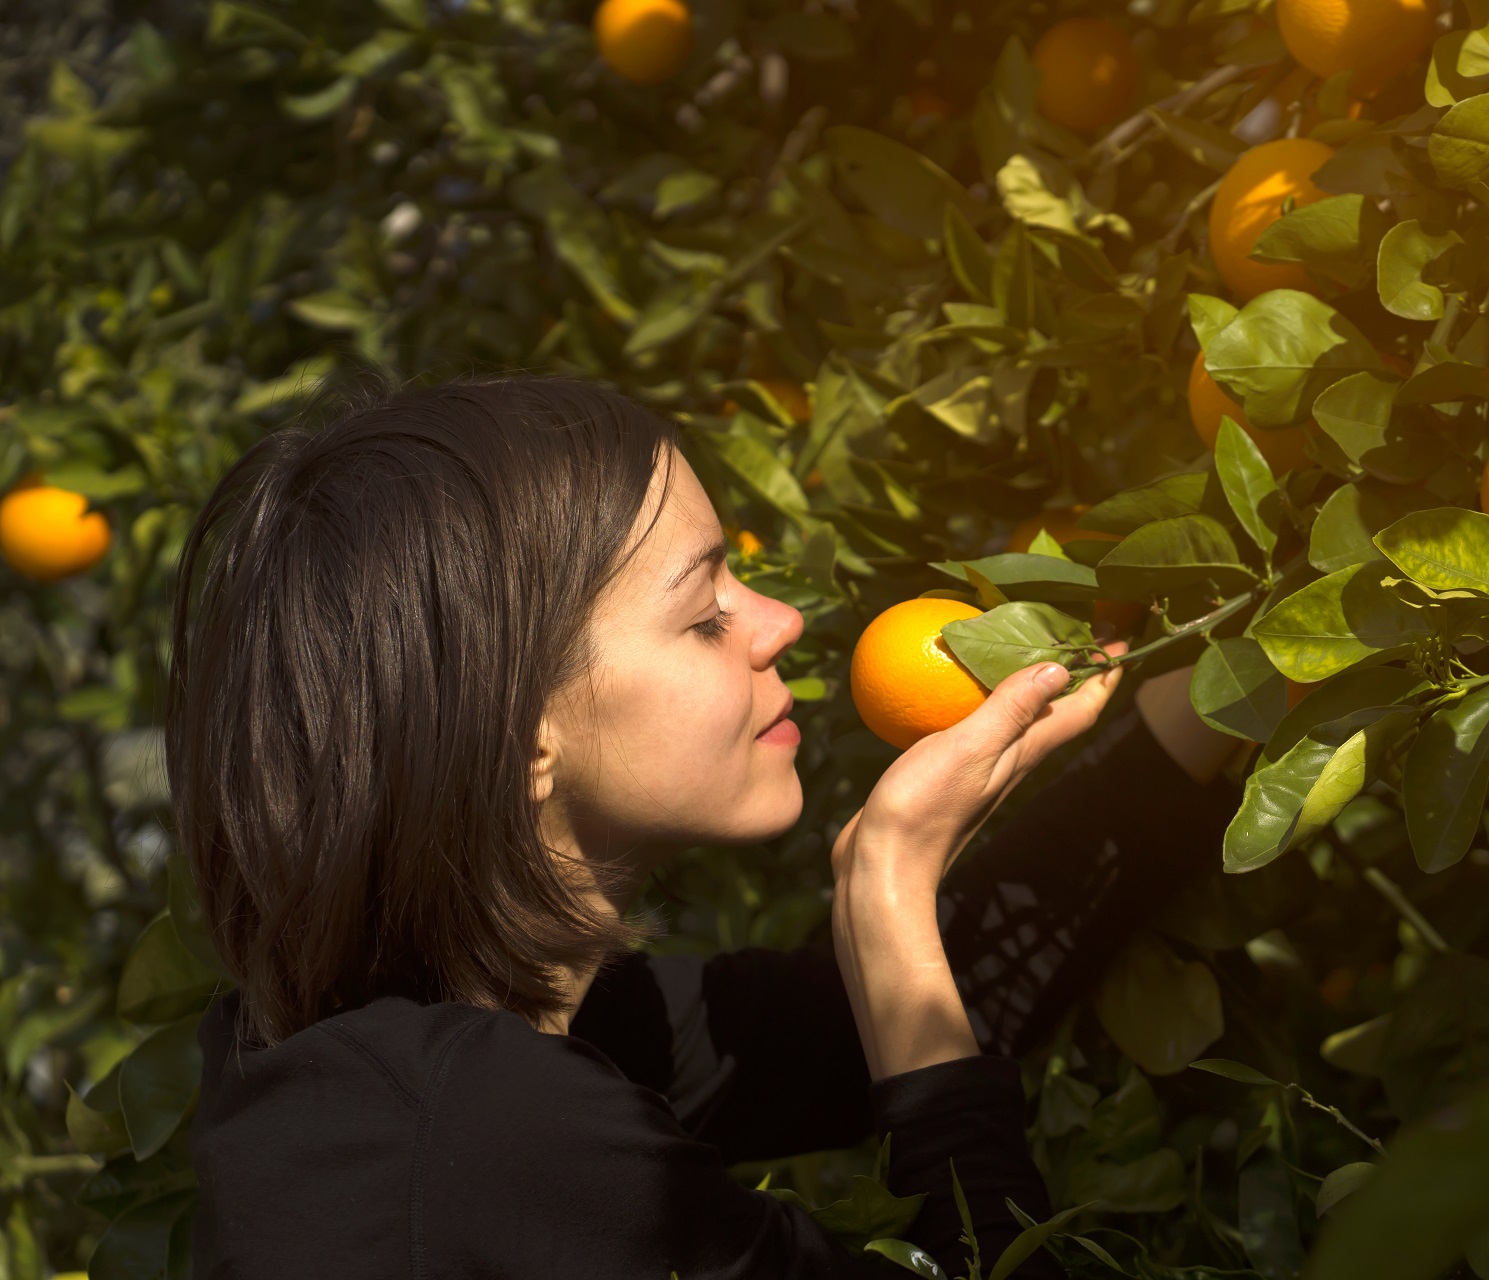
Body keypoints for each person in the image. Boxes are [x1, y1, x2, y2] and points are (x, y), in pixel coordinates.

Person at [169, 377, 1241, 1279]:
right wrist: (884, 890)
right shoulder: (485, 1131)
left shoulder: (443, 1066)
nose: (782, 621)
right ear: (519, 732)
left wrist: (1269, 661)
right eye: (702, 613)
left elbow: (863, 1031)